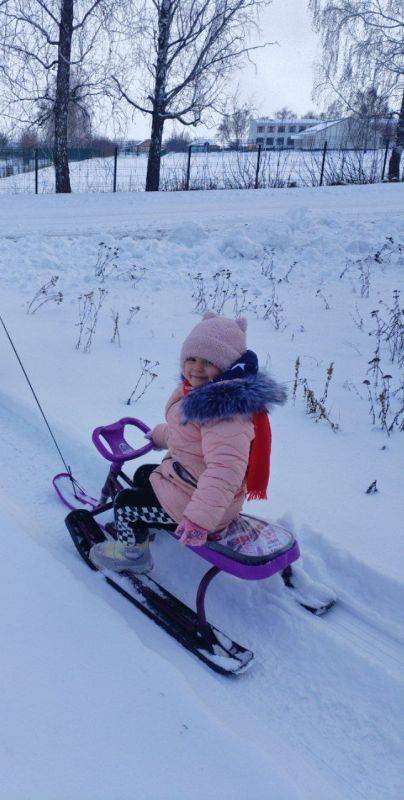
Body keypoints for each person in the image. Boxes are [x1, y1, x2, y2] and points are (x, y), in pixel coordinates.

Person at [90, 312, 286, 574]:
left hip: (203, 510)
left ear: (227, 366)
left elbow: (225, 471)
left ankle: (133, 555)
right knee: (144, 474)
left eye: (208, 361)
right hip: (190, 484)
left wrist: (198, 520)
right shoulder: (198, 392)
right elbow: (190, 437)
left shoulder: (223, 412)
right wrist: (161, 435)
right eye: (191, 359)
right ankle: (145, 528)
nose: (196, 368)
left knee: (125, 504)